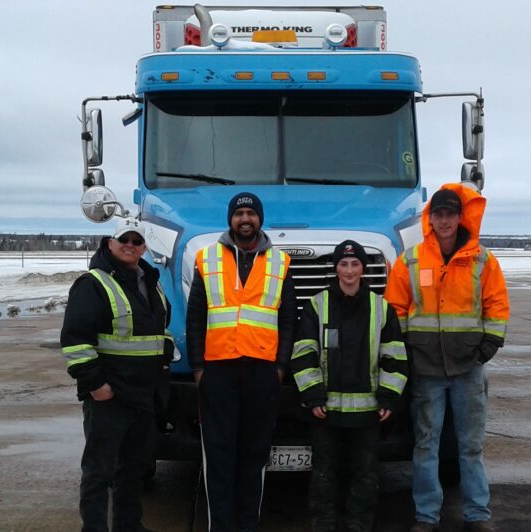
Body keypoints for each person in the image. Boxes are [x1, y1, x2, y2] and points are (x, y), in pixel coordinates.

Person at [384, 184, 509, 532]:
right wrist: (407, 349)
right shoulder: (410, 260)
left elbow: (496, 305)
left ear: (459, 217)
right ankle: (426, 517)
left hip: (468, 368)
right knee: (426, 446)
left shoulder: (483, 260)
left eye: (450, 213)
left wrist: (487, 347)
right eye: (437, 214)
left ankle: (478, 515)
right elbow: (395, 308)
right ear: (430, 218)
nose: (444, 220)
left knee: (470, 447)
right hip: (426, 371)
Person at [186, 192, 298, 532]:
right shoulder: (206, 259)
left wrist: (280, 368)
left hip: (263, 371)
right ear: (230, 220)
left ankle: (247, 525)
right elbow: (195, 318)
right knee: (218, 457)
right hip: (218, 371)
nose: (245, 219)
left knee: (254, 457)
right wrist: (198, 369)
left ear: (260, 219)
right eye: (239, 214)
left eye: (251, 213)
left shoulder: (281, 263)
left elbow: (288, 320)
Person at [61, 217, 173, 532]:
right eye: (124, 239)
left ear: (144, 247)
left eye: (137, 241)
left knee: (132, 470)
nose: (130, 246)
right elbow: (75, 340)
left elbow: (157, 332)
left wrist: (163, 365)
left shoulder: (150, 281)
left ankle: (129, 526)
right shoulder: (93, 283)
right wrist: (96, 385)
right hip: (109, 396)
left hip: (141, 396)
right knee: (99, 472)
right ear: (110, 243)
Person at [291, 240, 408, 532]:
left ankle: (359, 525)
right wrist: (313, 395)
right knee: (323, 474)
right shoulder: (317, 306)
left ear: (363, 269)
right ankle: (323, 525)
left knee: (365, 474)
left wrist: (388, 398)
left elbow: (395, 357)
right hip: (324, 412)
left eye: (355, 264)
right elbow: (304, 353)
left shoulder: (382, 309)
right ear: (335, 269)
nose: (349, 270)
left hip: (368, 413)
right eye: (343, 264)